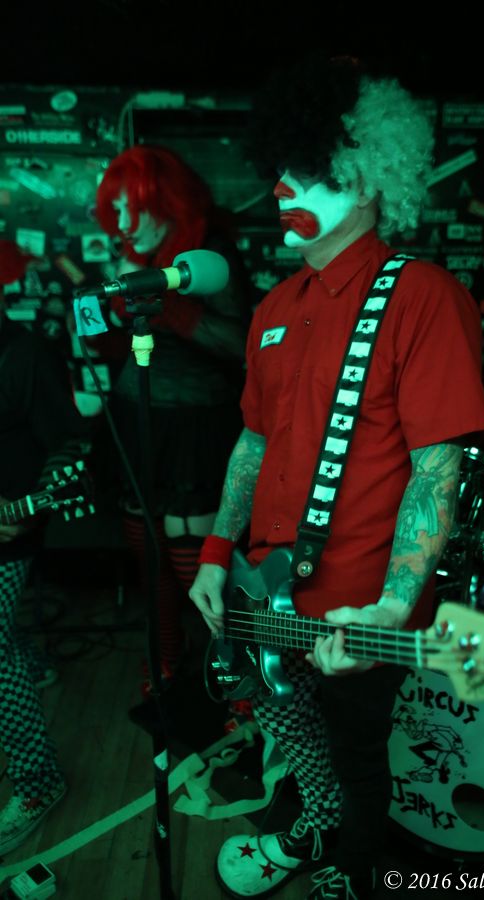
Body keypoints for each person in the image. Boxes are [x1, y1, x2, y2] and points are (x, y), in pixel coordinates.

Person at [189, 55, 484, 900]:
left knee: (364, 763)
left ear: (367, 176)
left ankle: (360, 874)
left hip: (359, 614)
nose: (282, 186)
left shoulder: (422, 296)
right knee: (293, 737)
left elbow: (438, 467)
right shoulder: (273, 308)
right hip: (263, 592)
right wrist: (216, 552)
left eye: (311, 169)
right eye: (280, 168)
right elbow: (253, 442)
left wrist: (392, 606)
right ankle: (315, 829)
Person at [94, 145, 251, 690]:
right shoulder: (132, 252)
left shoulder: (209, 254)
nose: (120, 222)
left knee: (194, 562)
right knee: (147, 551)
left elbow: (238, 343)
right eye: (114, 208)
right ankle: (166, 652)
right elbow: (126, 349)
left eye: (129, 207)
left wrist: (161, 298)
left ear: (165, 202)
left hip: (194, 427)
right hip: (138, 417)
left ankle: (231, 671)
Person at [0, 239, 90, 855]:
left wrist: (29, 504)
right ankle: (32, 663)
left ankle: (38, 782)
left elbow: (70, 449)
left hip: (10, 529)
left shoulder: (25, 354)